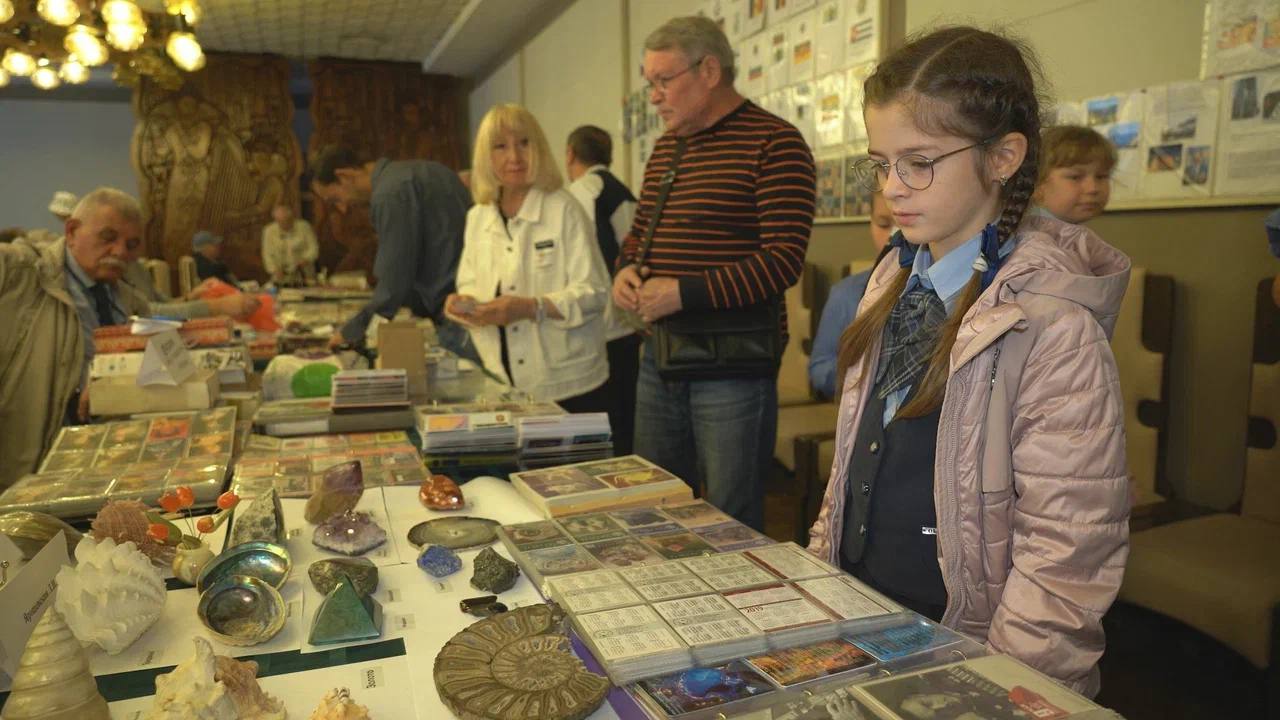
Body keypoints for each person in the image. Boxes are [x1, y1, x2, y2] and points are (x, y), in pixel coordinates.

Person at [806, 27, 1130, 697]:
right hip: (864, 622)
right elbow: (851, 463)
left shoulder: (1052, 325)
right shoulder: (889, 279)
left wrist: (1003, 688)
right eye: (881, 162)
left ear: (1004, 155)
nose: (893, 187)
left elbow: (1066, 553)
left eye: (919, 161)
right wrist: (819, 583)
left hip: (972, 655)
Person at [612, 16, 815, 530]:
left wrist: (683, 294)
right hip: (661, 355)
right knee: (653, 507)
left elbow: (783, 260)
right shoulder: (666, 148)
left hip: (733, 366)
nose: (653, 96)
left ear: (708, 70)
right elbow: (640, 237)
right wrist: (625, 270)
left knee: (729, 518)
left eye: (663, 80)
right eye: (648, 82)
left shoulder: (775, 142)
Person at [446, 104, 611, 409]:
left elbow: (594, 293)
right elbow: (470, 285)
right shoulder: (478, 218)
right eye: (500, 146)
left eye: (524, 143)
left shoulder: (564, 209)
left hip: (569, 386)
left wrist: (530, 307)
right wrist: (462, 304)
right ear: (485, 156)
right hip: (502, 381)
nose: (514, 157)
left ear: (540, 147)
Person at [310, 145, 476, 360]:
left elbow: (394, 280)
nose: (342, 208)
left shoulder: (390, 193)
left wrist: (351, 331)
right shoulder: (430, 170)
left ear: (345, 176)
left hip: (454, 313)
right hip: (473, 302)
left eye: (335, 199)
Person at [566, 124, 642, 452]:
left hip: (594, 326)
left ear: (570, 154)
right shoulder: (625, 194)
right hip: (628, 322)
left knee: (597, 429)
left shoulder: (574, 197)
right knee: (626, 419)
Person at [809, 192, 894, 399]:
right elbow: (819, 369)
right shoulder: (846, 294)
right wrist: (862, 372)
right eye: (883, 224)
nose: (894, 234)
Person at [1031, 125, 1115, 224]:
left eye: (1101, 176)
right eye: (1075, 177)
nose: (1093, 188)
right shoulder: (1032, 237)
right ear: (1037, 184)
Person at [261, 203, 318, 285]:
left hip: (304, 274)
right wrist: (274, 269)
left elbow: (314, 249)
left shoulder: (304, 227)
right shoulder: (269, 231)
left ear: (292, 218)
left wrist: (306, 259)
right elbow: (267, 255)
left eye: (287, 220)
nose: (285, 224)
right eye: (281, 222)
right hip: (281, 275)